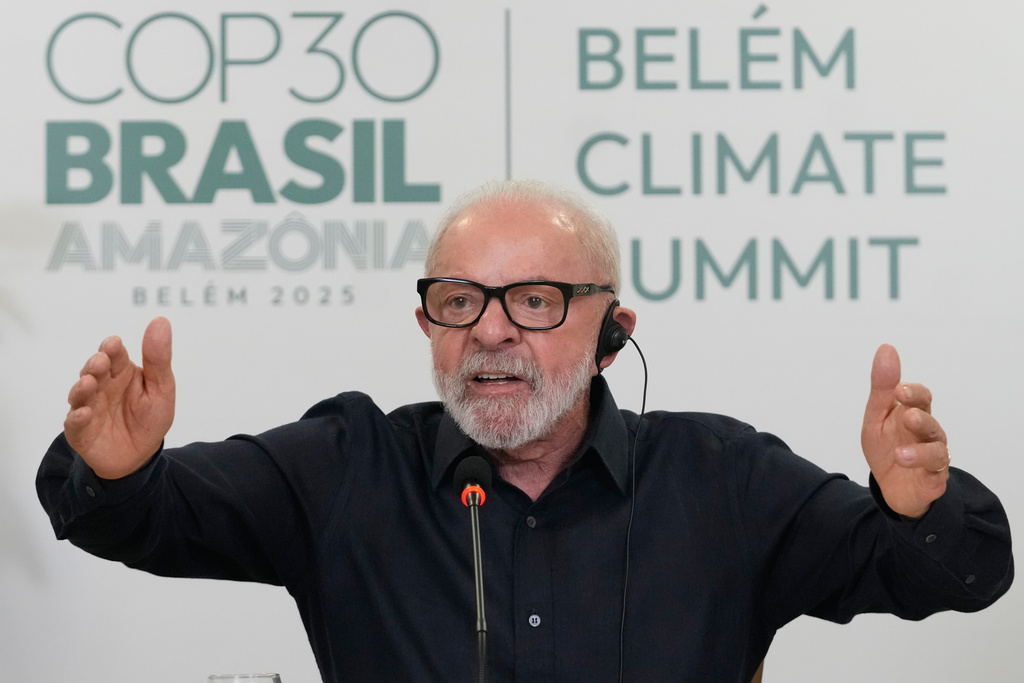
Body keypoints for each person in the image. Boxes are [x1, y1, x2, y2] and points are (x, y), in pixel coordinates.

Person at [38, 180, 1013, 683]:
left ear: (609, 333)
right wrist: (113, 469)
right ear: (426, 325)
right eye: (459, 299)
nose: (491, 329)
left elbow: (958, 573)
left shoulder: (723, 478)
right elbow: (138, 516)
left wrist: (914, 502)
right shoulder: (347, 466)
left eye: (535, 300)